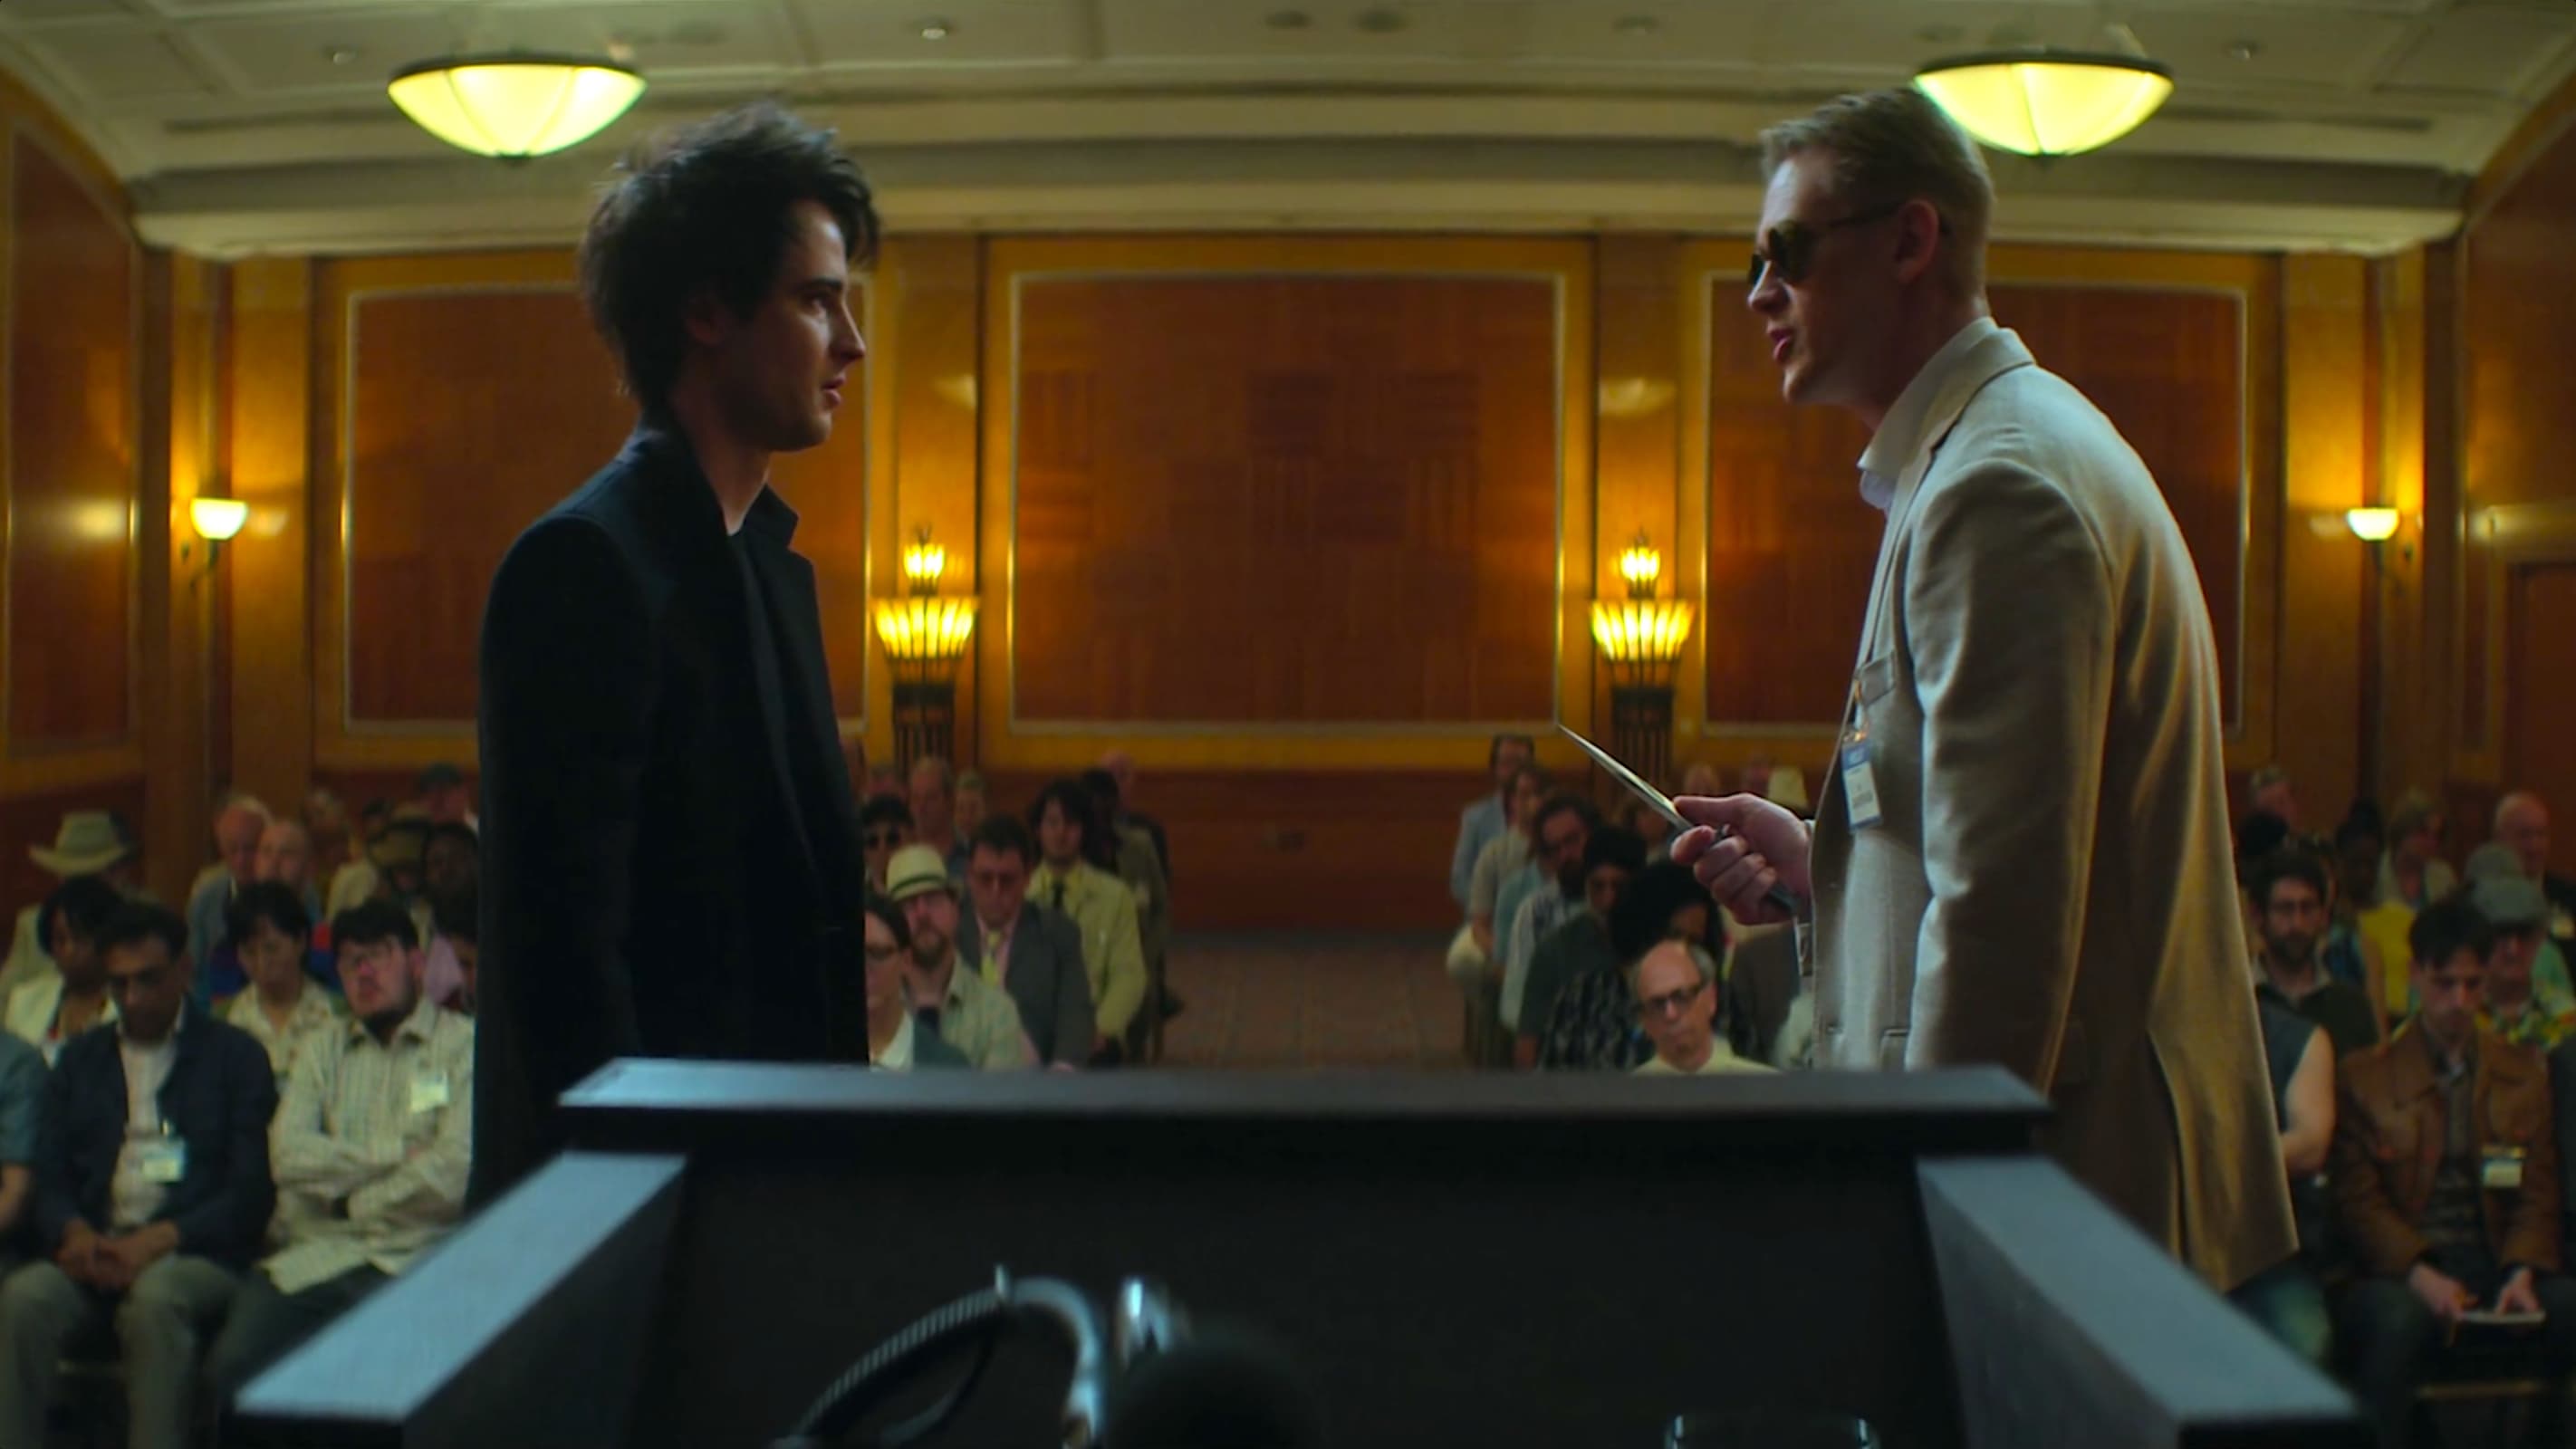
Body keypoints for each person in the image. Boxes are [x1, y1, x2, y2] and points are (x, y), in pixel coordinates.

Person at [1672, 87, 2291, 1291]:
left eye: (1787, 252)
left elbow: (2003, 928)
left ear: (1911, 241)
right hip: (2068, 1166)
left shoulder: (1996, 486)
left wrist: (1917, 1209)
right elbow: (1986, 838)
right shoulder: (1985, 453)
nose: (1759, 294)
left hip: (2066, 1185)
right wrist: (1825, 868)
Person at [473, 103, 879, 1203]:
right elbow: (566, 981)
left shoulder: (771, 570)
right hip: (649, 1213)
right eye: (816, 300)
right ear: (706, 310)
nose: (852, 342)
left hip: (779, 1189)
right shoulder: (584, 565)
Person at [0, 902, 276, 1449]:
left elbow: (249, 1192)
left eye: (148, 980)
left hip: (195, 1251)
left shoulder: (235, 1056)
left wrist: (158, 1240)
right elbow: (49, 1174)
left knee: (155, 1302)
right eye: (119, 984)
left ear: (184, 970)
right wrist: (74, 1232)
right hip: (97, 1245)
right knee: (24, 1299)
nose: (132, 999)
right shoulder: (81, 1059)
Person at [202, 901, 475, 1407]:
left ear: (416, 963)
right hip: (315, 1256)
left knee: (379, 1385)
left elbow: (452, 1174)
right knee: (234, 1366)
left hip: (413, 1257)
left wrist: (350, 1203)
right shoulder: (322, 1048)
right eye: (351, 962)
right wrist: (396, 1154)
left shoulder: (465, 1046)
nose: (364, 973)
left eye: (379, 956)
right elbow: (289, 1156)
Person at [2332, 897, 2576, 1449]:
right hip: (2401, 1270)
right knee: (2397, 1323)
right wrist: (2420, 1273)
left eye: (2472, 984)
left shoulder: (2523, 1073)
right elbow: (2359, 1203)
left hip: (2495, 1258)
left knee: (2568, 1307)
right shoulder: (2366, 1078)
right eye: (2445, 984)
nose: (2459, 1002)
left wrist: (2522, 1270)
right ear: (2416, 976)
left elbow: (2538, 1191)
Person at [883, 845, 1040, 1071]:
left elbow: (998, 1095)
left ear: (955, 909)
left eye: (933, 899)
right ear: (890, 925)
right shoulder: (875, 1009)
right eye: (908, 904)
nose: (922, 913)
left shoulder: (996, 1013)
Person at [949, 822, 1093, 1068]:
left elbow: (1075, 1014)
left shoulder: (1058, 934)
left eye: (1007, 880)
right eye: (985, 878)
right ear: (969, 877)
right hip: (958, 1073)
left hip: (1033, 1076)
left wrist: (1063, 1073)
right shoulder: (948, 930)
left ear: (1027, 878)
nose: (995, 890)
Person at [1028, 782, 1148, 1060]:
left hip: (1095, 1035)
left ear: (1083, 831)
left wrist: (1100, 1029)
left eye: (1070, 824)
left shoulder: (1115, 896)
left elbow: (1129, 974)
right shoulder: (1021, 895)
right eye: (1052, 823)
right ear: (1038, 830)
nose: (1061, 833)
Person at [2248, 848, 2383, 1060]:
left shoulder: (2352, 1007)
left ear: (2324, 916)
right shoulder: (2238, 1002)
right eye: (2285, 909)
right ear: (2258, 916)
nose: (2297, 923)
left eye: (2308, 908)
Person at [1, 811, 144, 1007]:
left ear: (118, 873)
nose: (79, 891)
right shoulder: (33, 923)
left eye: (88, 878)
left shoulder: (144, 920)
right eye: (71, 878)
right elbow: (4, 999)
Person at [217, 883, 341, 1087]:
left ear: (300, 941)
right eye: (249, 952)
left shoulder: (337, 1013)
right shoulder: (224, 1020)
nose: (261, 963)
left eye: (271, 949)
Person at [5, 876, 123, 1064]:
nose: (69, 950)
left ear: (108, 938)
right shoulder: (25, 1000)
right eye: (60, 940)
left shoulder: (128, 1004)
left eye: (80, 938)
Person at [1632, 939, 1773, 1076]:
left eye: (1682, 997)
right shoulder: (1629, 1091)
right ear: (1644, 1020)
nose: (1671, 1014)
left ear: (1711, 998)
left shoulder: (1765, 1085)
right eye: (1657, 1004)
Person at [860, 895, 968, 1071]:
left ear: (906, 961)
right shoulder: (820, 1063)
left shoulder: (949, 1067)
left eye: (877, 953)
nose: (865, 968)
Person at [1449, 734, 1534, 910]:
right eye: (1506, 763)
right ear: (1495, 768)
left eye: (1520, 762)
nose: (1514, 770)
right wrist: (1486, 907)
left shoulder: (1546, 813)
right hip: (1486, 913)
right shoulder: (1475, 817)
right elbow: (1460, 878)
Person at [2494, 791, 2576, 958]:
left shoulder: (2569, 896)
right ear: (2499, 839)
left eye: (2541, 834)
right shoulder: (2477, 899)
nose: (2535, 846)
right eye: (2524, 835)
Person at [859, 795, 915, 893]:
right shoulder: (853, 899)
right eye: (872, 842)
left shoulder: (935, 890)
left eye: (892, 839)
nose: (882, 849)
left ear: (912, 839)